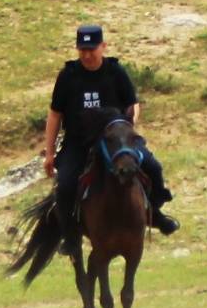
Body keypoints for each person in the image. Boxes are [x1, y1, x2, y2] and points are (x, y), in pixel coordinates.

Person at [41, 22, 176, 238]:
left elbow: (133, 103)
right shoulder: (68, 76)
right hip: (79, 141)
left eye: (91, 49)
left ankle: (155, 213)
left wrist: (128, 127)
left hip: (117, 138)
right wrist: (49, 152)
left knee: (152, 166)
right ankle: (70, 235)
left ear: (103, 46)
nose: (86, 55)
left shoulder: (115, 72)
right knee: (65, 185)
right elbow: (55, 114)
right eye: (82, 50)